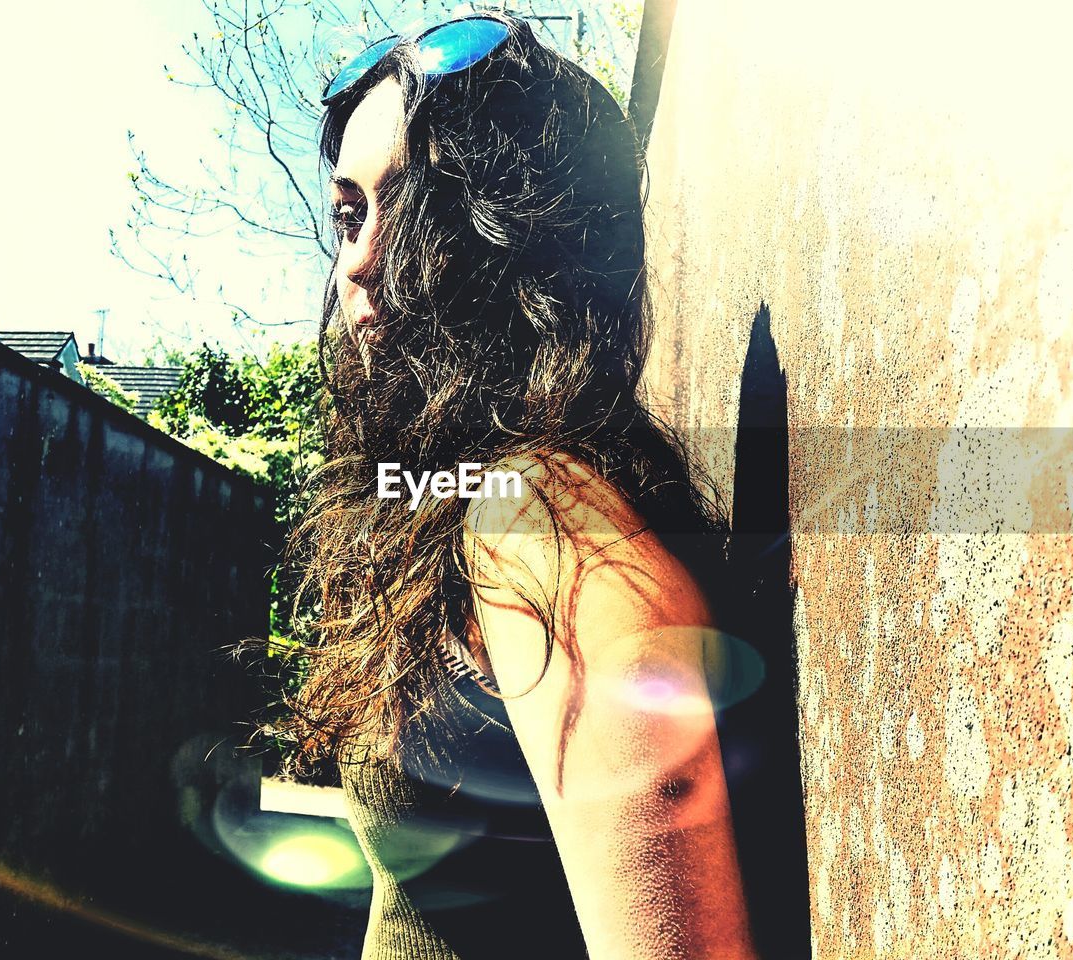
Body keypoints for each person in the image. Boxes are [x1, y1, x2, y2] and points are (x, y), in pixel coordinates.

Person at [281, 12, 758, 960]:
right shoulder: (473, 506)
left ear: (511, 238)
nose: (356, 262)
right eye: (347, 214)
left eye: (409, 212)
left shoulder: (537, 518)